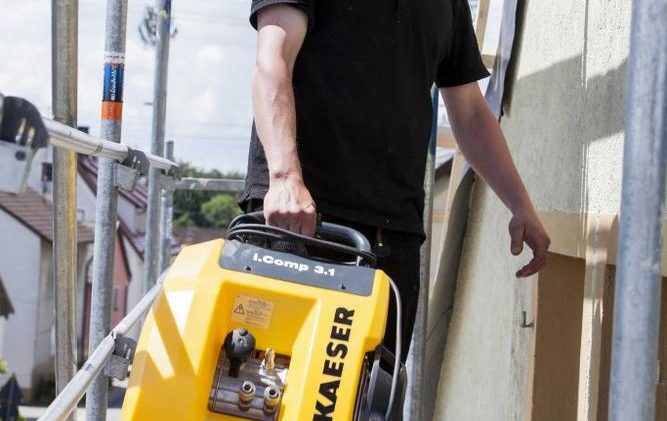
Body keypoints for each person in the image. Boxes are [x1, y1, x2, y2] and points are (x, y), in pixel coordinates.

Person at [239, 0, 551, 359]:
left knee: (374, 390)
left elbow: (469, 111)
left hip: (392, 239)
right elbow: (272, 62)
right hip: (299, 221)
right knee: (273, 382)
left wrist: (520, 204)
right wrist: (284, 177)